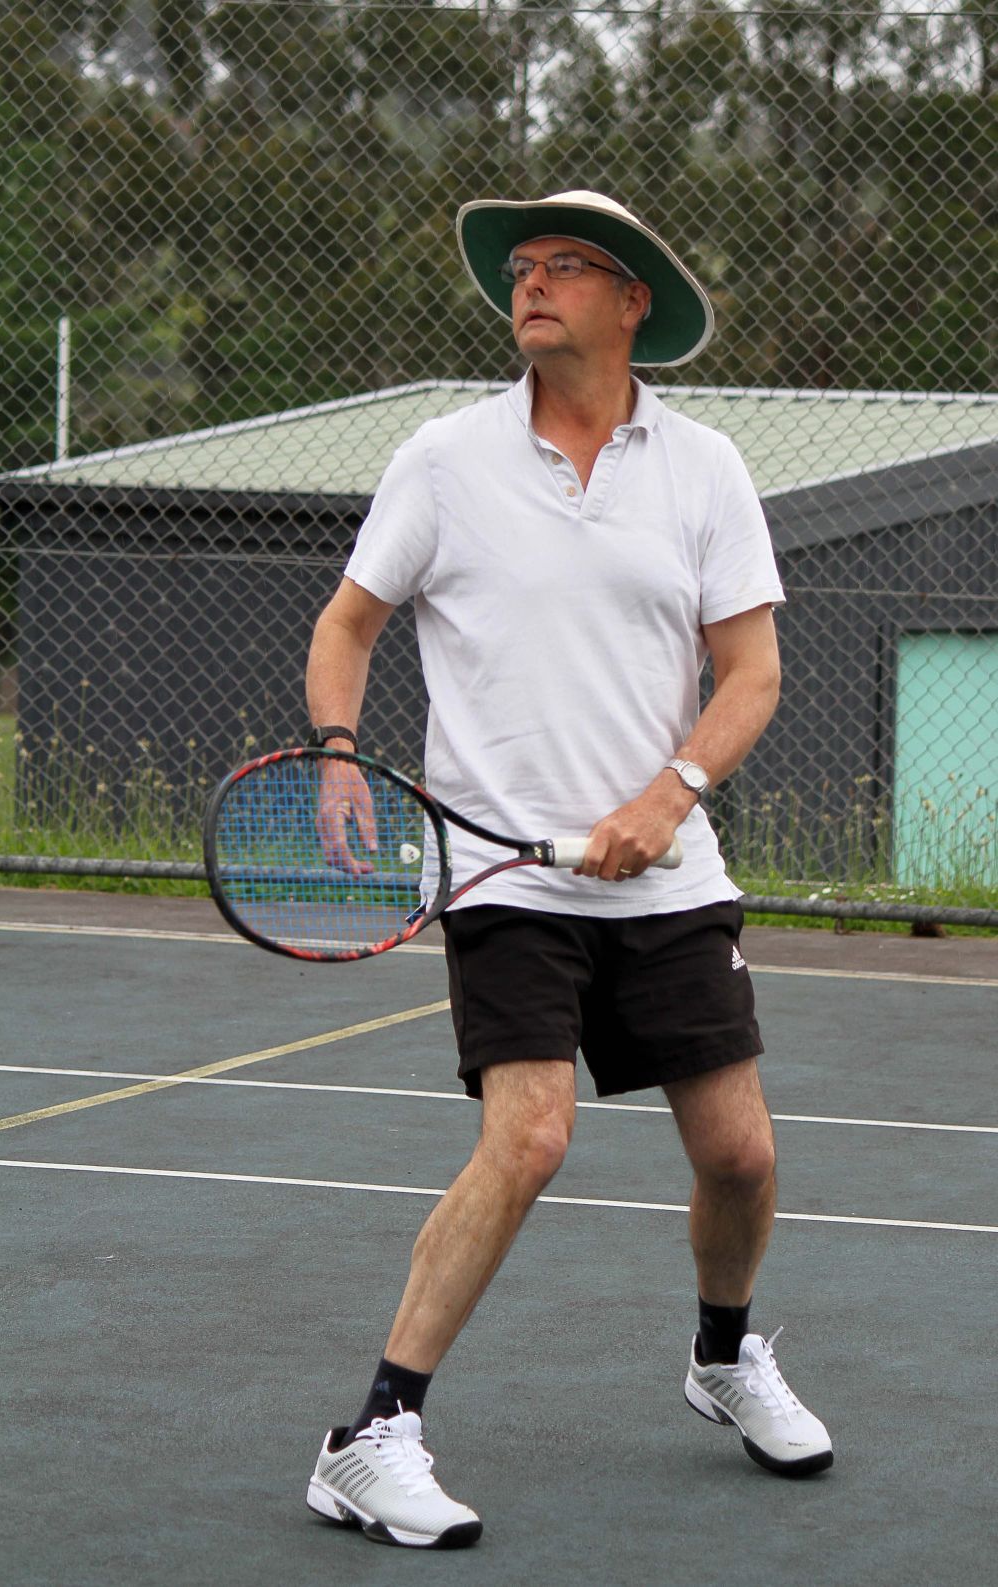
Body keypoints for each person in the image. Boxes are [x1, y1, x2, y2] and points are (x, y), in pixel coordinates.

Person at [303, 190, 832, 1550]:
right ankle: (371, 1436)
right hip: (501, 872)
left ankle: (723, 1358)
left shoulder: (704, 468)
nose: (529, 286)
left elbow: (753, 671)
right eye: (517, 269)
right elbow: (350, 622)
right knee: (531, 1136)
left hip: (669, 872)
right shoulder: (443, 459)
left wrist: (673, 792)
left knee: (742, 1157)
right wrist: (343, 751)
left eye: (562, 267)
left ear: (631, 297)